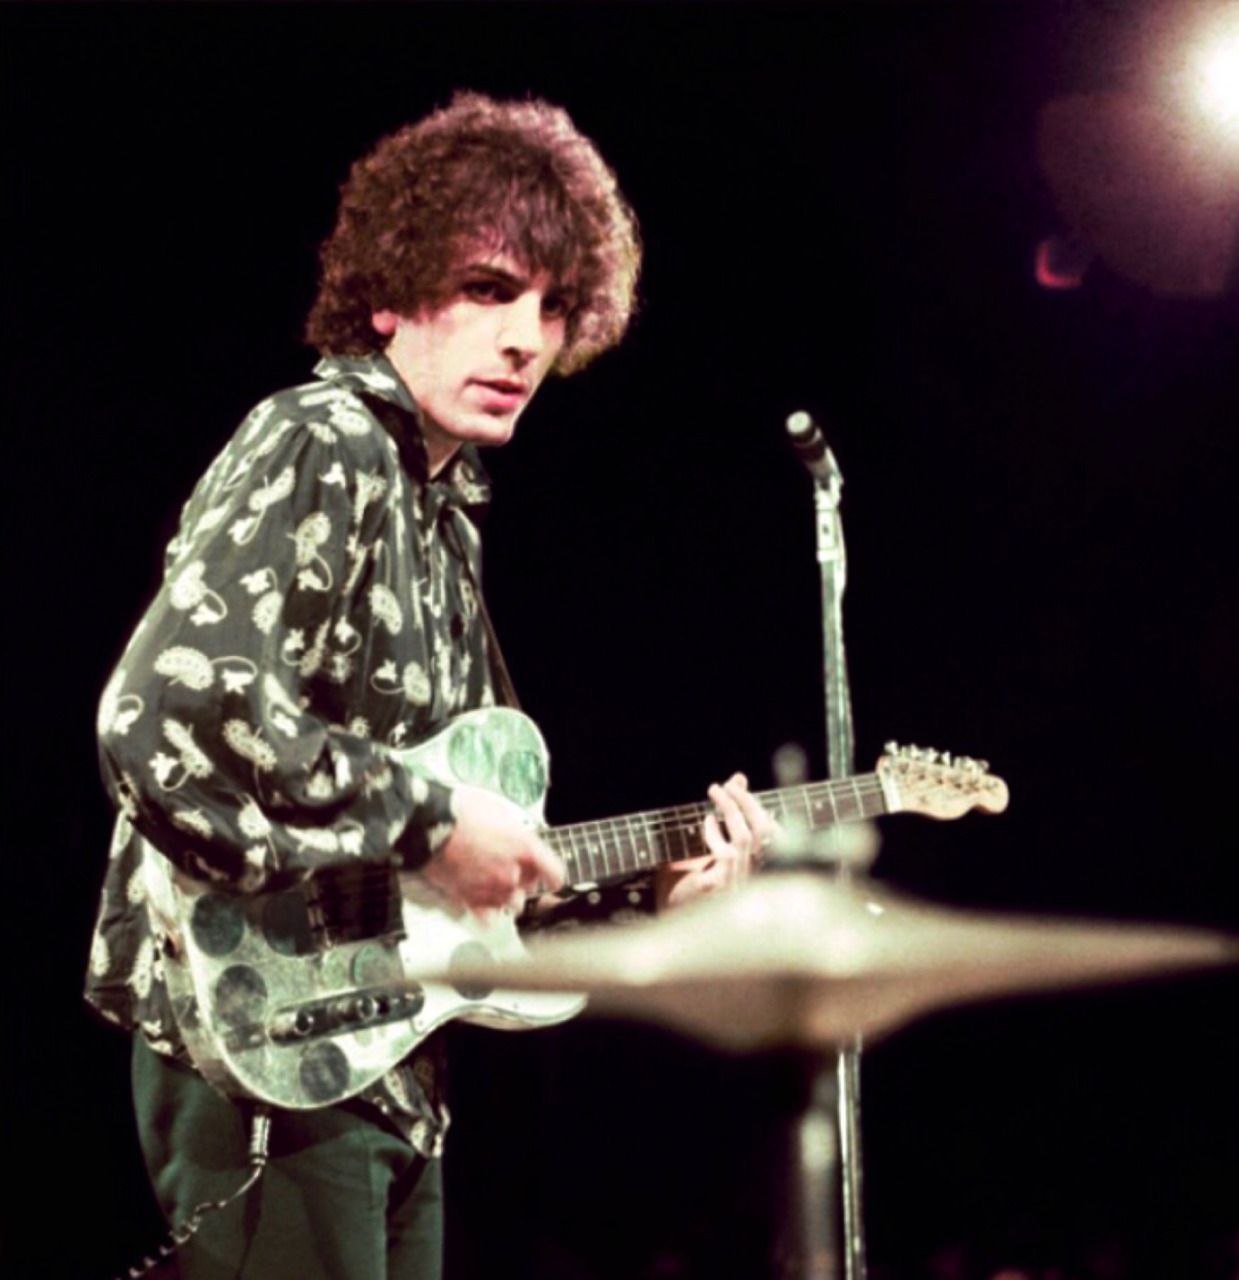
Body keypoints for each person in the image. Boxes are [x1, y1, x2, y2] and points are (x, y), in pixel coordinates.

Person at [88, 92, 773, 1279]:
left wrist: (653, 894)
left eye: (552, 308)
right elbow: (165, 713)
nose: (525, 341)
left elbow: (454, 890)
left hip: (385, 1068)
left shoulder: (443, 513)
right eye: (488, 290)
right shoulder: (324, 439)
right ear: (390, 293)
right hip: (265, 1050)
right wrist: (433, 820)